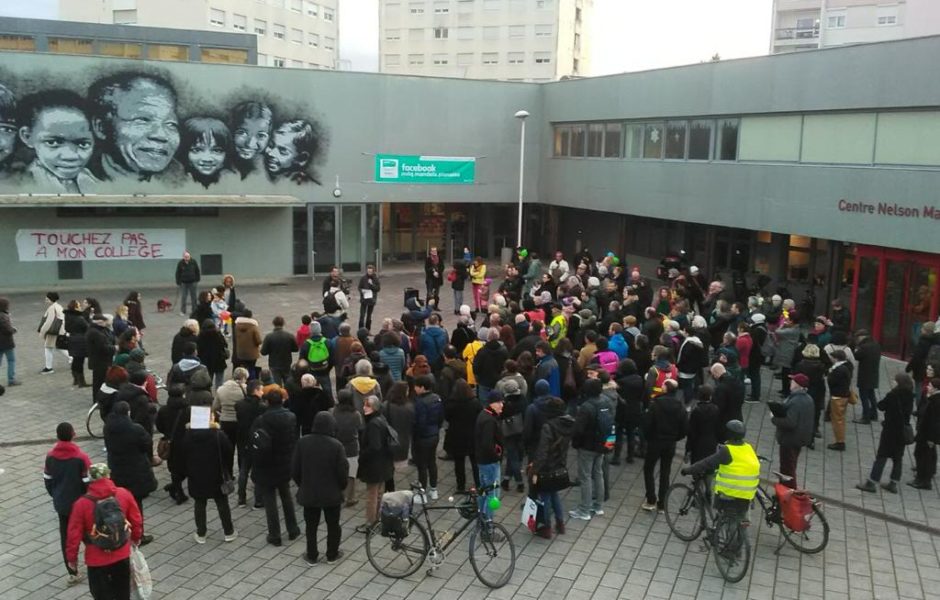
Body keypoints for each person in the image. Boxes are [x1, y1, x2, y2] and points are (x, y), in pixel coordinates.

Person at [66, 463, 143, 600]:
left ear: (90, 480)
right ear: (108, 475)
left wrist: (72, 559)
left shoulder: (81, 504)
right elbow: (136, 520)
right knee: (122, 593)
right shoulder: (123, 494)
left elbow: (73, 535)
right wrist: (136, 538)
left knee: (101, 595)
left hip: (96, 558)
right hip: (121, 552)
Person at [292, 410, 348, 566]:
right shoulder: (336, 445)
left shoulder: (303, 442)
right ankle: (332, 554)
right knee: (333, 525)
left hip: (309, 491)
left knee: (311, 526)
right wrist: (341, 487)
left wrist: (302, 484)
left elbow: (295, 469)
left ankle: (311, 555)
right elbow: (342, 471)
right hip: (331, 494)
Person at [17, 90, 99, 193]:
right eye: (53, 143)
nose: (70, 156)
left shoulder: (91, 180)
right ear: (28, 136)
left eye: (83, 144)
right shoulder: (21, 185)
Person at [681, 419, 759, 525]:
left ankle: (720, 533)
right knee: (740, 515)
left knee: (723, 512)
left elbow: (707, 463)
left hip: (730, 492)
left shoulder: (727, 450)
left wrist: (688, 470)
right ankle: (740, 534)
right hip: (748, 493)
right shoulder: (749, 448)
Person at [251, 389, 301, 546]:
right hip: (285, 462)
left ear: (268, 402)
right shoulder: (291, 417)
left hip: (267, 464)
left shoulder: (262, 420)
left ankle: (275, 535)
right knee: (286, 495)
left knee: (270, 499)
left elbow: (254, 439)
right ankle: (293, 529)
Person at [44, 422, 91, 585]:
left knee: (66, 537)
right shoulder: (81, 458)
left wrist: (56, 495)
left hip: (62, 504)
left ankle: (72, 571)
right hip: (81, 505)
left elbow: (48, 480)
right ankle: (95, 563)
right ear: (73, 435)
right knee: (88, 535)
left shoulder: (50, 456)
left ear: (57, 436)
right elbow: (88, 482)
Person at [103, 401, 156, 546]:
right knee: (136, 504)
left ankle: (122, 529)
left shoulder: (108, 428)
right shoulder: (135, 429)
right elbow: (147, 443)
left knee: (120, 501)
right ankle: (139, 533)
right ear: (127, 412)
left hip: (117, 469)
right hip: (135, 470)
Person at [180, 411, 237, 544]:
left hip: (196, 475)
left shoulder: (188, 436)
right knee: (222, 503)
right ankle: (228, 532)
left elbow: (183, 455)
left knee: (200, 503)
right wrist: (227, 471)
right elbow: (229, 452)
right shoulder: (218, 435)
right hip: (217, 474)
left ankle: (201, 533)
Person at [857, 373, 915, 494]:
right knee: (897, 458)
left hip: (890, 430)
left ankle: (872, 482)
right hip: (902, 432)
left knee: (882, 456)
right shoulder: (910, 395)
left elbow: (881, 406)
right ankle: (893, 483)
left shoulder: (893, 395)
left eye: (895, 380)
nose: (893, 382)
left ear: (899, 383)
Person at [569, 378, 616, 520]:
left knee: (585, 477)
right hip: (602, 444)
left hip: (587, 447)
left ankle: (584, 510)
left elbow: (578, 429)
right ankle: (598, 506)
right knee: (598, 473)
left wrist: (575, 443)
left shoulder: (586, 406)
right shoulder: (607, 401)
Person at [531, 395, 575, 539]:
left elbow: (542, 452)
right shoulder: (568, 424)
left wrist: (534, 470)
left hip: (547, 468)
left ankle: (546, 527)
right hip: (559, 466)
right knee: (554, 494)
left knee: (545, 497)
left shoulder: (548, 427)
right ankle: (560, 523)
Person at [641, 379, 687, 512]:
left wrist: (648, 438)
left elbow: (647, 424)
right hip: (670, 443)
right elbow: (684, 427)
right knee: (665, 472)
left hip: (655, 442)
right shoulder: (680, 406)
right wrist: (675, 438)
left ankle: (651, 499)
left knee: (649, 469)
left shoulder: (656, 404)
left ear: (665, 389)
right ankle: (662, 503)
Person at [357, 395, 395, 533]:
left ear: (374, 408)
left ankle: (370, 523)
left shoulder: (373, 424)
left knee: (371, 496)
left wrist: (362, 455)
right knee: (378, 494)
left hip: (374, 466)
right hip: (384, 464)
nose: (364, 408)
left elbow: (375, 446)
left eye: (367, 406)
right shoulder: (381, 419)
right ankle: (377, 519)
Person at [771, 374, 815, 488]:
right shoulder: (808, 399)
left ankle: (789, 494)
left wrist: (774, 418)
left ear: (797, 385)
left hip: (789, 440)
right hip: (799, 438)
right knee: (791, 465)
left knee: (787, 470)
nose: (790, 383)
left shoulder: (795, 401)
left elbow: (790, 422)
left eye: (792, 381)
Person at [412, 375, 444, 500]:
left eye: (416, 386)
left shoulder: (420, 402)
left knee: (422, 465)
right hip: (434, 434)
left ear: (422, 387)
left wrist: (415, 435)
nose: (414, 388)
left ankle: (422, 493)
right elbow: (441, 417)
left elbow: (420, 422)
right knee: (432, 462)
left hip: (423, 437)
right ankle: (434, 489)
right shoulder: (437, 398)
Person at [235, 380, 266, 508]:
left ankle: (241, 498)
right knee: (258, 470)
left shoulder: (239, 405)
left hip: (243, 441)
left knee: (243, 470)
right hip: (257, 441)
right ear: (256, 391)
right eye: (261, 390)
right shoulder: (262, 407)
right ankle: (258, 500)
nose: (263, 392)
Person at [475, 391, 504, 519]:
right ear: (491, 404)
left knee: (483, 492)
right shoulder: (489, 421)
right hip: (490, 463)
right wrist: (497, 455)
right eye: (499, 402)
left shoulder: (483, 414)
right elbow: (488, 444)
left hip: (482, 461)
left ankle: (480, 517)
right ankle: (488, 526)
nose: (502, 405)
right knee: (493, 496)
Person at [333, 389, 364, 507]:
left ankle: (339, 494)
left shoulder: (333, 412)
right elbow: (360, 428)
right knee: (351, 474)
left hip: (336, 446)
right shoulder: (356, 414)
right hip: (352, 447)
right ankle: (350, 497)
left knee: (337, 471)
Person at [793, 343, 827, 448]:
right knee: (815, 416)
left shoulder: (800, 365)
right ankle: (811, 439)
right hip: (817, 392)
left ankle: (799, 436)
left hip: (803, 391)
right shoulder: (821, 366)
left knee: (799, 414)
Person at [909, 378, 940, 490]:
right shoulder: (931, 398)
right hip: (924, 433)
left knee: (925, 457)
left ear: (936, 388)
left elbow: (935, 422)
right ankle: (920, 477)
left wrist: (932, 439)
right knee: (919, 454)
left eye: (930, 386)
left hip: (928, 435)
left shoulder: (936, 401)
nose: (928, 387)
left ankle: (924, 481)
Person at [826, 349, 854, 451]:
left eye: (832, 358)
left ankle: (840, 442)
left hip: (838, 396)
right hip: (844, 395)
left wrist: (830, 374)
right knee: (840, 419)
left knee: (838, 420)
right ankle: (839, 441)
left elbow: (832, 382)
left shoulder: (838, 370)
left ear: (836, 358)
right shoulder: (847, 367)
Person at [854, 330, 882, 424]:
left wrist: (856, 349)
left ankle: (865, 417)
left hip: (864, 375)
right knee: (871, 395)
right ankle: (874, 414)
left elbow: (856, 356)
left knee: (864, 397)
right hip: (873, 374)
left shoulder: (864, 347)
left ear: (862, 337)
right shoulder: (876, 345)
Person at [687, 384, 720, 464]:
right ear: (710, 396)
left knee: (697, 467)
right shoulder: (716, 409)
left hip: (698, 444)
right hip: (711, 442)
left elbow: (691, 431)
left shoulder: (696, 411)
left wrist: (688, 449)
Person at [261, 316, 298, 386]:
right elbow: (296, 349)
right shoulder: (289, 336)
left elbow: (263, 352)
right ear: (283, 323)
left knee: (277, 384)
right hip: (286, 363)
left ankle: (279, 395)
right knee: (288, 383)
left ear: (273, 324)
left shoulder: (269, 337)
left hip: (274, 364)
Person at [39, 291, 68, 374]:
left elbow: (49, 322)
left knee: (48, 348)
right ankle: (72, 357)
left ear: (51, 299)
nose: (46, 299)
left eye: (47, 298)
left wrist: (42, 332)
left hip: (52, 331)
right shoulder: (58, 306)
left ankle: (49, 368)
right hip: (59, 330)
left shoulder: (52, 308)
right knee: (57, 347)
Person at [64, 299, 90, 387]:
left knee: (75, 360)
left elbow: (66, 328)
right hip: (80, 340)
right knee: (80, 361)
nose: (80, 307)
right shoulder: (79, 318)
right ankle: (81, 381)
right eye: (79, 305)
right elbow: (87, 327)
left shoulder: (68, 316)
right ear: (75, 307)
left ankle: (75, 379)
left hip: (72, 339)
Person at [234, 309, 263, 379]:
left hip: (241, 352)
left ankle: (243, 381)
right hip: (252, 353)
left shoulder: (237, 326)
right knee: (251, 368)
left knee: (243, 368)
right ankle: (252, 382)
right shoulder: (253, 327)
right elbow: (258, 340)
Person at [175, 251, 201, 316]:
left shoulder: (193, 262)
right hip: (184, 283)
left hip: (193, 282)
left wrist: (197, 279)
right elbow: (178, 273)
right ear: (183, 257)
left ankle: (194, 311)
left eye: (188, 257)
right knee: (183, 297)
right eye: (185, 257)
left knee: (194, 297)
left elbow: (197, 271)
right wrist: (178, 281)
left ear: (190, 256)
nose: (187, 258)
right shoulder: (180, 263)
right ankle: (183, 311)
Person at [0, 297, 18, 386]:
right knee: (11, 360)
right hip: (6, 343)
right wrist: (13, 330)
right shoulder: (3, 316)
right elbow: (7, 329)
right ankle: (11, 380)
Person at [358, 264, 381, 331]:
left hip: (371, 300)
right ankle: (361, 330)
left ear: (373, 271)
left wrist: (371, 284)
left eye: (370, 271)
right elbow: (359, 287)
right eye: (368, 271)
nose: (369, 272)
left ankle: (368, 330)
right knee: (362, 315)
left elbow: (378, 289)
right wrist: (362, 291)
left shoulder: (375, 279)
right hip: (364, 299)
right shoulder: (363, 278)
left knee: (369, 316)